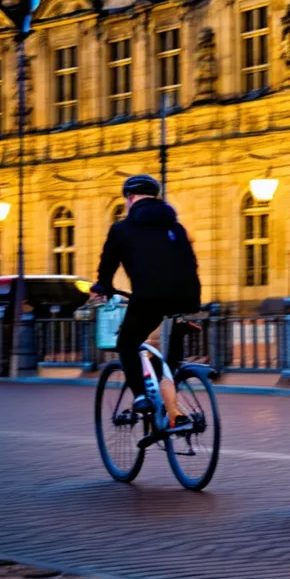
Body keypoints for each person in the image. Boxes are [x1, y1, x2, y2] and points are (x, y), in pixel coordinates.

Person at [94, 174, 202, 433]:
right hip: (187, 297)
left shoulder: (122, 229)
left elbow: (108, 263)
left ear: (130, 199)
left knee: (127, 343)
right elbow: (190, 262)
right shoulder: (175, 228)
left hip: (149, 297)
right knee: (170, 360)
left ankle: (141, 396)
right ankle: (174, 409)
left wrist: (103, 287)